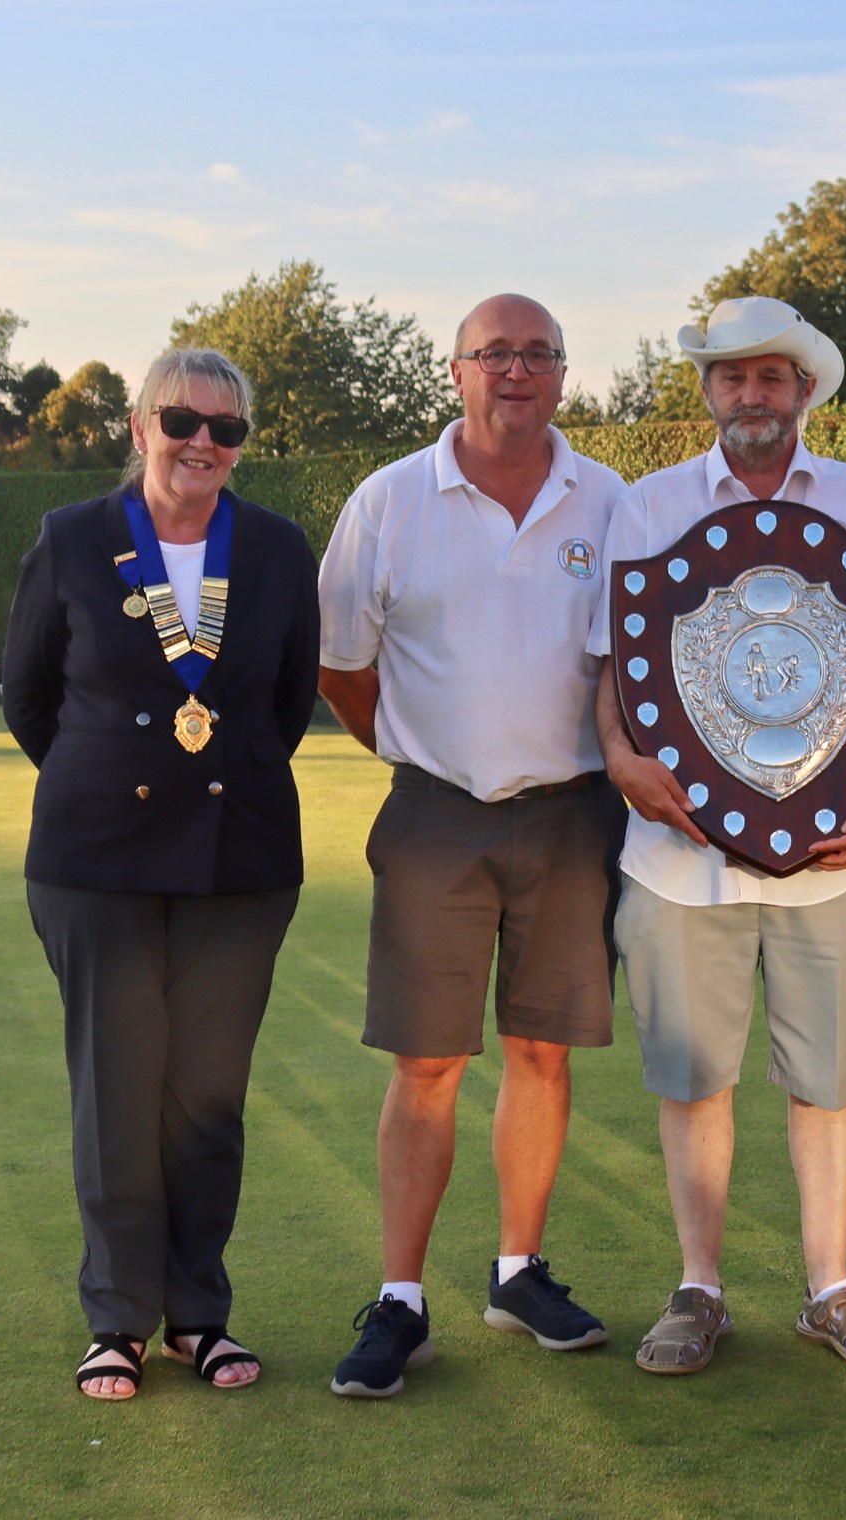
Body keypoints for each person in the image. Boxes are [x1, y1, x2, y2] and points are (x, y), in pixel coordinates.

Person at [592, 296, 846, 1376]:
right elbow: (616, 669)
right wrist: (620, 759)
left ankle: (830, 1287)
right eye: (731, 376)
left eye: (771, 376)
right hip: (682, 862)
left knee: (827, 1080)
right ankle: (701, 1288)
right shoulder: (645, 509)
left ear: (806, 391)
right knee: (694, 1081)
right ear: (705, 391)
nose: (751, 394)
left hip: (837, 860)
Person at [318, 294, 629, 1397]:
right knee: (429, 1060)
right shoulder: (391, 498)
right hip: (436, 810)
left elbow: (625, 673)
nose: (515, 370)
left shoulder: (610, 501)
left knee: (543, 1050)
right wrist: (418, 750)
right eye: (492, 353)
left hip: (573, 814)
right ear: (455, 372)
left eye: (537, 352)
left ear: (560, 372)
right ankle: (400, 1297)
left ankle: (517, 1269)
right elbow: (345, 665)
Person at [3, 347, 320, 1399]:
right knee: (118, 1092)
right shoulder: (72, 539)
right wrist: (113, 781)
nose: (203, 443)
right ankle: (118, 1319)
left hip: (242, 860)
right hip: (98, 862)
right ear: (139, 427)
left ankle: (199, 1314)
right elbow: (29, 703)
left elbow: (286, 704)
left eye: (226, 429)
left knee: (205, 1101)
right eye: (182, 419)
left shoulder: (275, 549)